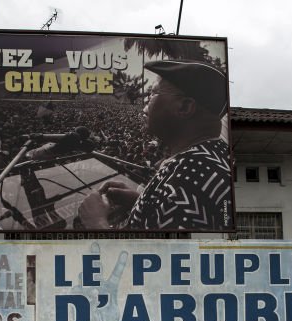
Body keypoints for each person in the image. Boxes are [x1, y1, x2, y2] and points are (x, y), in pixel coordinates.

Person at [78, 59, 231, 231]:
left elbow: (158, 256)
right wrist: (142, 201)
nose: (145, 102)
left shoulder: (186, 183)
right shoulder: (210, 156)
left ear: (185, 107)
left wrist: (96, 222)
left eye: (153, 94)